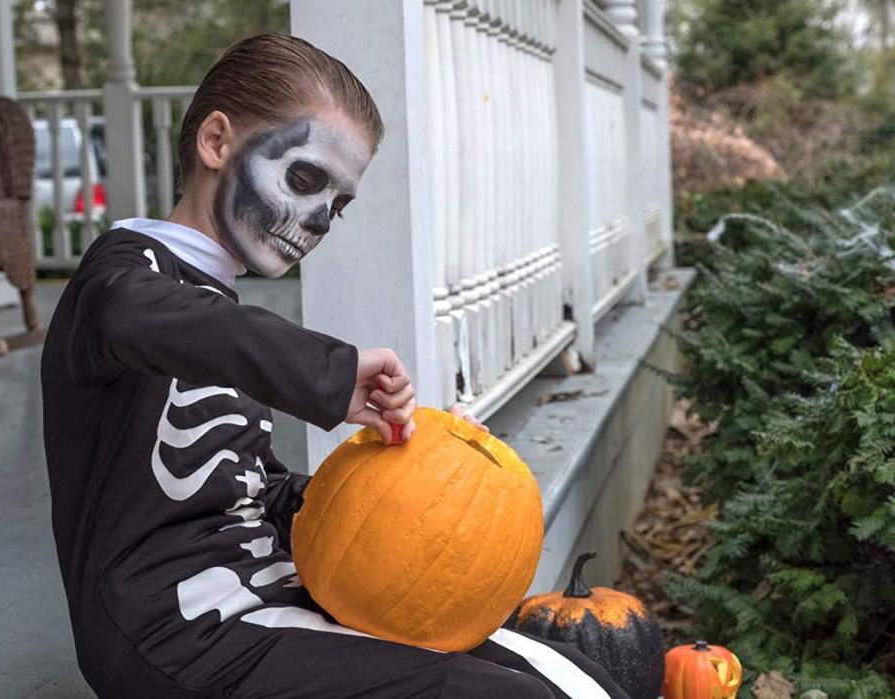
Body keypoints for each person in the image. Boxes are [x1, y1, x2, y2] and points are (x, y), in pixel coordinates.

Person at [42, 33, 629, 699]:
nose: (319, 219)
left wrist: (408, 484)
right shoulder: (122, 279)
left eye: (338, 205)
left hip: (274, 590)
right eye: (304, 180)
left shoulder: (215, 313)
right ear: (215, 141)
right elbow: (140, 317)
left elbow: (254, 491)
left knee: (566, 671)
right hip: (170, 634)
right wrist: (328, 370)